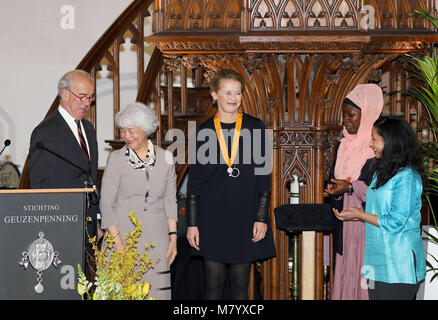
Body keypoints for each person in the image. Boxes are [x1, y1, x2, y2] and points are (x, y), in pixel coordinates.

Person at [186, 68, 276, 300]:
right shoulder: (202, 132)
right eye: (227, 93)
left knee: (240, 283)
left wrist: (261, 217)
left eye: (237, 93)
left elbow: (264, 179)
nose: (233, 99)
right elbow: (194, 183)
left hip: (244, 216)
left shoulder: (255, 128)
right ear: (214, 95)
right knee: (213, 284)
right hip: (211, 219)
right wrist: (193, 224)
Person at [334, 116, 426, 300]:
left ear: (390, 141)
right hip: (376, 261)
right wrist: (357, 214)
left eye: (374, 139)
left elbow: (395, 222)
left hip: (399, 265)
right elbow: (377, 211)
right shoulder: (381, 172)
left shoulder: (407, 177)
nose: (370, 144)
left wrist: (361, 215)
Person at [100, 102, 178, 300]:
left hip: (156, 240)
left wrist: (173, 237)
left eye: (131, 130)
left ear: (146, 130)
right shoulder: (116, 159)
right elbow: (106, 202)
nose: (126, 136)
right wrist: (118, 242)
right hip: (121, 236)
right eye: (123, 131)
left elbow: (170, 200)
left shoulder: (167, 158)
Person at [29, 69, 102, 275]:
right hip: (61, 225)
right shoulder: (46, 132)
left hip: (87, 224)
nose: (87, 102)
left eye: (91, 97)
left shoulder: (87, 128)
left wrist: (95, 219)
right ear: (65, 94)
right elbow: (41, 186)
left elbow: (91, 177)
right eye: (82, 96)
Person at [325, 83, 383, 300]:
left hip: (366, 225)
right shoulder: (343, 145)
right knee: (345, 273)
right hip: (344, 221)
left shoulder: (377, 148)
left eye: (352, 115)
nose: (346, 120)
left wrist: (349, 187)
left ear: (367, 115)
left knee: (363, 277)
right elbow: (334, 176)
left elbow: (379, 191)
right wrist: (334, 189)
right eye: (344, 115)